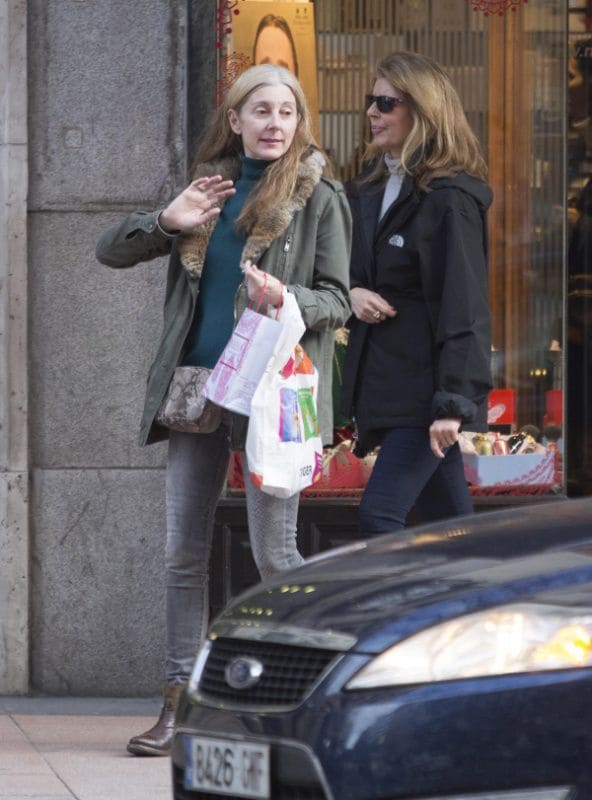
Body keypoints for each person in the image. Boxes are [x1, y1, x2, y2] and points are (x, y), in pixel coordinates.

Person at [95, 64, 351, 755]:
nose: (275, 123)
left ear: (299, 124)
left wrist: (288, 299)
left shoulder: (318, 196)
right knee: (183, 553)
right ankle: (182, 703)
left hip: (271, 394)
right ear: (235, 120)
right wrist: (164, 221)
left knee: (276, 551)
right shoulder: (206, 193)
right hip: (198, 390)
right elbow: (109, 251)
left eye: (287, 112)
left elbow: (340, 297)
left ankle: (305, 696)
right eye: (260, 110)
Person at [341, 51, 492, 534]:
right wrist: (350, 292)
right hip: (388, 386)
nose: (372, 112)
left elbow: (464, 305)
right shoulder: (369, 188)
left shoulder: (448, 199)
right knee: (448, 532)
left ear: (422, 111)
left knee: (380, 515)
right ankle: (482, 609)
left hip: (424, 395)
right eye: (371, 101)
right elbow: (343, 270)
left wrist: (453, 403)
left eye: (386, 103)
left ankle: (386, 613)